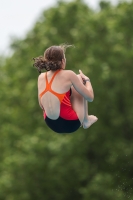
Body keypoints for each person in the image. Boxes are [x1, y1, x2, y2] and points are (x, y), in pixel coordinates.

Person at [33, 44, 98, 133]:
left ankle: (84, 119)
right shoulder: (69, 74)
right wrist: (87, 80)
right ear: (63, 61)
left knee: (62, 93)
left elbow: (41, 105)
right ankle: (86, 121)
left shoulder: (41, 77)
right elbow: (90, 98)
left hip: (51, 123)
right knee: (78, 78)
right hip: (71, 123)